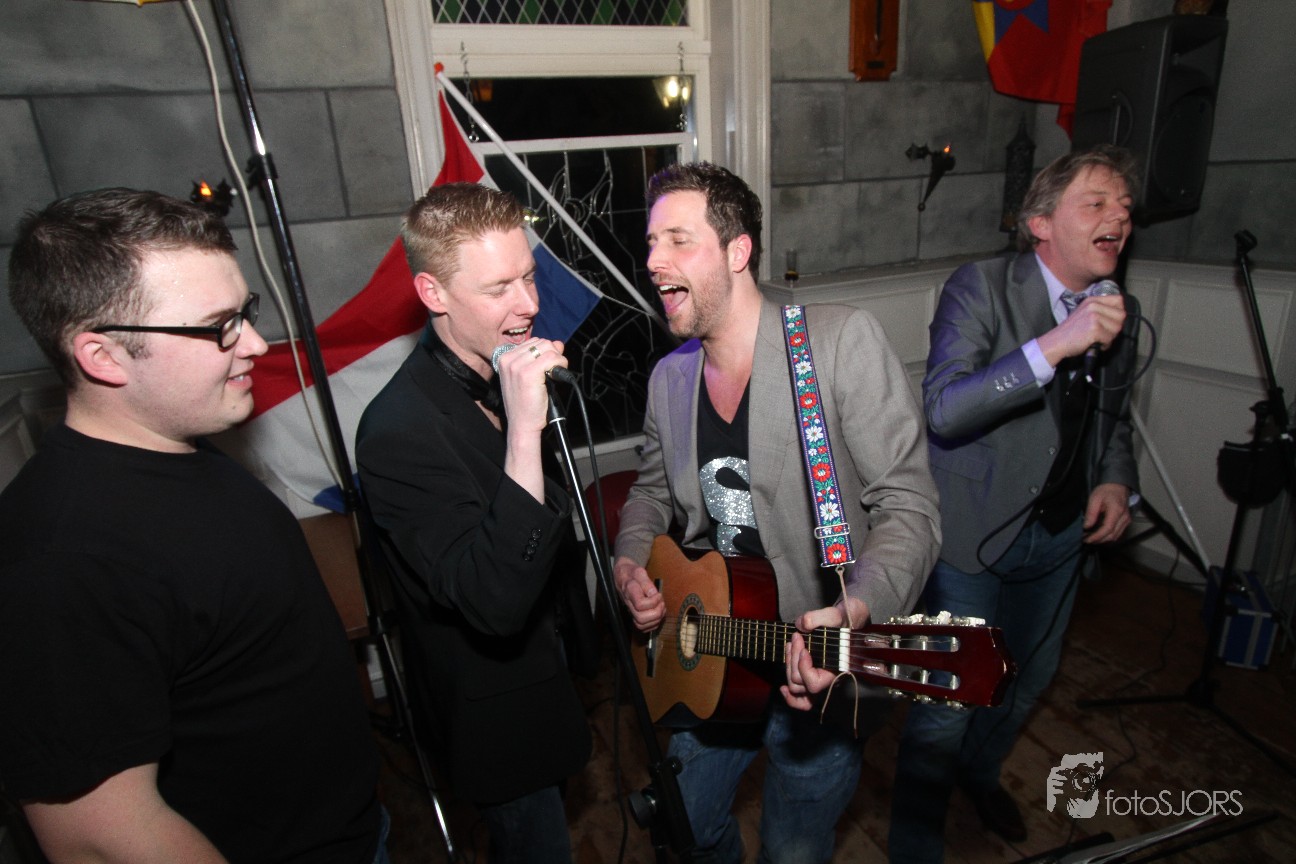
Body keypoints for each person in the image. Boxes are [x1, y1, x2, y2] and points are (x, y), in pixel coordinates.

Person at [0, 188, 385, 863]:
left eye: (246, 312)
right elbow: (99, 838)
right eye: (218, 327)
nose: (256, 345)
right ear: (103, 356)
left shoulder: (178, 444)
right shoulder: (61, 561)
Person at [612, 162, 942, 863]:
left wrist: (855, 608)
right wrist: (629, 561)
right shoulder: (669, 379)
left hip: (815, 669)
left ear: (737, 251)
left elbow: (909, 508)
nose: (653, 261)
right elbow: (649, 494)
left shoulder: (836, 343)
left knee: (793, 848)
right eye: (651, 243)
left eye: (677, 240)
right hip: (707, 652)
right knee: (685, 827)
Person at [888, 144, 1142, 862]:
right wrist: (1054, 345)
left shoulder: (1116, 305)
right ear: (1040, 223)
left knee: (1025, 683)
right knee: (948, 703)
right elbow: (945, 409)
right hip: (971, 538)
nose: (1119, 218)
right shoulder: (981, 286)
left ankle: (980, 774)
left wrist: (1114, 479)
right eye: (1097, 203)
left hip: (1060, 537)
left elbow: (1113, 416)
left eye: (1126, 208)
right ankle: (914, 845)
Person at [355, 183, 596, 862]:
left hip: (550, 679)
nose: (529, 304)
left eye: (528, 276)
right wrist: (524, 430)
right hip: (496, 714)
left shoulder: (505, 372)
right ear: (433, 293)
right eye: (498, 288)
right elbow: (492, 599)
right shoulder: (396, 431)